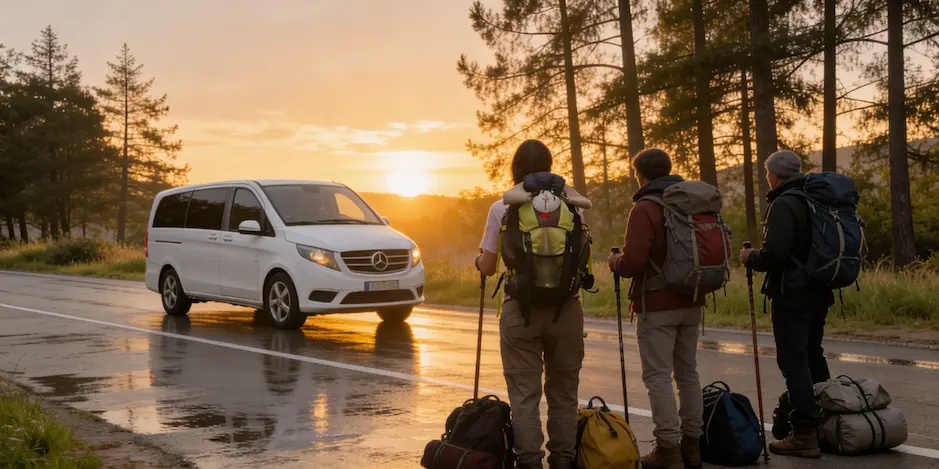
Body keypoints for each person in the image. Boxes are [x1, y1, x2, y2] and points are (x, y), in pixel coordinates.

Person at [475, 139, 586, 469]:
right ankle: (564, 460)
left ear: (516, 170)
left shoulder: (502, 208)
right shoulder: (572, 204)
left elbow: (490, 265)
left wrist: (479, 259)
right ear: (549, 166)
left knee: (525, 394)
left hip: (519, 312)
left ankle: (530, 463)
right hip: (566, 309)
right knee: (563, 392)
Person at [607, 148, 704, 469]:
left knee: (659, 377)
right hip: (692, 298)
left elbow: (633, 262)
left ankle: (668, 449)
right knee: (688, 373)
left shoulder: (645, 208)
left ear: (641, 175)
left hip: (657, 303)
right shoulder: (691, 202)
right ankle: (692, 446)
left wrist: (614, 262)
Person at [740, 150, 832, 459]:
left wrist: (750, 257)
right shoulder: (814, 200)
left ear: (775, 174)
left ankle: (804, 433)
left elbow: (775, 254)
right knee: (813, 355)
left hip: (792, 292)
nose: (766, 176)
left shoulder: (784, 203)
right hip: (820, 288)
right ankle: (825, 421)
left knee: (794, 360)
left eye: (767, 172)